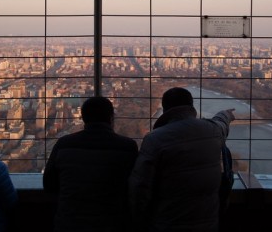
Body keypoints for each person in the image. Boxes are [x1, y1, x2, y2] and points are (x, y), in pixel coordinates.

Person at [128, 87, 235, 232]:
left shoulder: (155, 139)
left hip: (166, 224)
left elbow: (141, 187)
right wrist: (226, 114)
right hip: (207, 224)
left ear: (165, 108)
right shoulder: (213, 131)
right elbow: (221, 125)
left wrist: (139, 221)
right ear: (191, 106)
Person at [43, 96, 138, 232]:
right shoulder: (128, 147)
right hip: (113, 223)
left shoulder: (64, 144)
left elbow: (49, 184)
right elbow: (136, 186)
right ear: (111, 118)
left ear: (83, 118)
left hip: (70, 223)